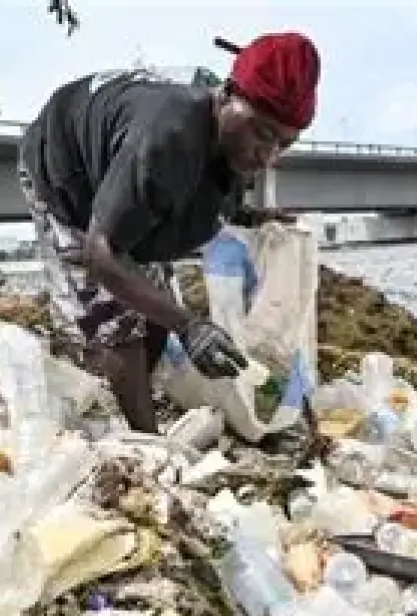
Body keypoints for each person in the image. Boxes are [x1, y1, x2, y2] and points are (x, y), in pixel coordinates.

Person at [18, 32, 321, 434]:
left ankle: (140, 400)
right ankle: (148, 443)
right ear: (227, 95)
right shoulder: (168, 137)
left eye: (285, 143)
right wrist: (190, 326)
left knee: (157, 313)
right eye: (263, 133)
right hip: (67, 170)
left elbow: (211, 192)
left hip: (134, 177)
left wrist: (249, 217)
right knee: (116, 322)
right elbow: (103, 254)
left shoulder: (231, 143)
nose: (269, 156)